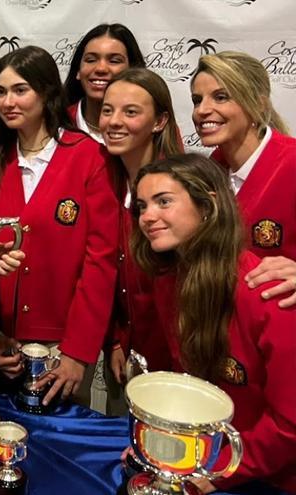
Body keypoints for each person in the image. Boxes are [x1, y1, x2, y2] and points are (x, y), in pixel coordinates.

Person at [132, 154, 296, 493]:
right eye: (142, 206)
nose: (148, 217)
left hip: (268, 478)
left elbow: (289, 425)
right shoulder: (167, 281)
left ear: (208, 207)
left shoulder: (269, 295)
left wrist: (212, 471)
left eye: (164, 201)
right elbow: (181, 386)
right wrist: (162, 452)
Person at [0, 46, 119, 408]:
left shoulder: (89, 158)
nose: (7, 101)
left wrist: (78, 352)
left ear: (47, 92)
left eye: (20, 90)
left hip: (61, 347)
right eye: (1, 92)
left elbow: (100, 262)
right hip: (2, 345)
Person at [97, 68, 183, 413]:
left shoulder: (180, 187)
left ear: (160, 121)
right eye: (107, 110)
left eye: (131, 112)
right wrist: (118, 340)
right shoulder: (105, 179)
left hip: (177, 368)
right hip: (129, 361)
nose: (114, 122)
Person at [191, 51, 296, 309]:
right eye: (196, 100)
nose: (202, 110)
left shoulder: (292, 163)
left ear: (258, 104)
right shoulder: (204, 176)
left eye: (221, 97)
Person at [63, 24, 145, 144]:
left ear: (133, 70)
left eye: (114, 61)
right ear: (78, 71)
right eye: (91, 60)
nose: (101, 69)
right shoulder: (55, 125)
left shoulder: (152, 127)